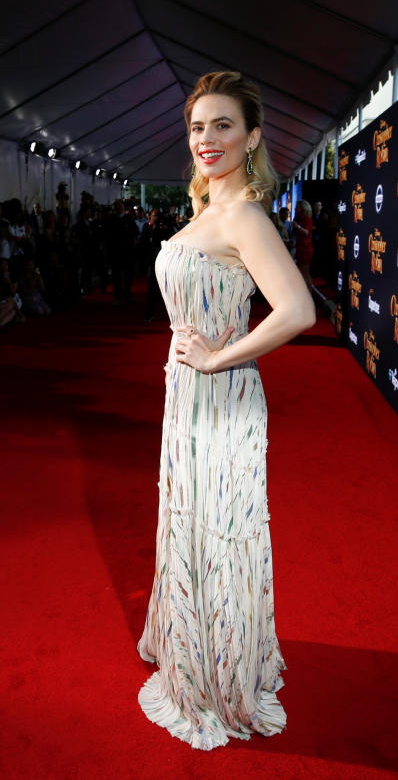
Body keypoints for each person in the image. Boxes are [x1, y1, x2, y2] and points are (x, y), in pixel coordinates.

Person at [137, 71, 315, 750]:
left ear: (253, 137)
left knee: (220, 528)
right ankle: (195, 645)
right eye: (197, 127)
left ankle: (222, 672)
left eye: (222, 126)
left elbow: (298, 310)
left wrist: (220, 357)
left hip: (220, 396)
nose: (205, 139)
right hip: (186, 397)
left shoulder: (242, 213)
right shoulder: (209, 207)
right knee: (194, 521)